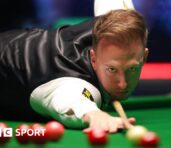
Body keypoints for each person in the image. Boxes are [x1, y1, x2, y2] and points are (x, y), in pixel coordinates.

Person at [0, 1, 148, 133]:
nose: (122, 83)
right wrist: (94, 115)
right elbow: (71, 101)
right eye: (112, 69)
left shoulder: (119, 21)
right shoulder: (74, 83)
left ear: (144, 56)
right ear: (93, 59)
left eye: (132, 69)